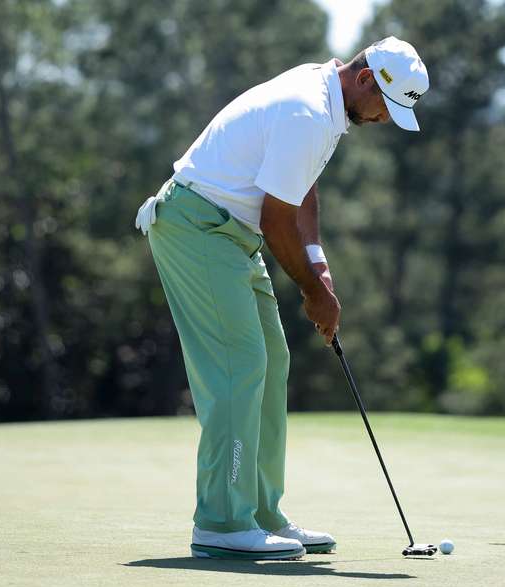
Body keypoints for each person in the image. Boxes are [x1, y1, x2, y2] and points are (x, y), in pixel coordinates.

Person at [134, 37, 429, 560]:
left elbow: (300, 189)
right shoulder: (307, 111)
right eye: (387, 105)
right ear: (365, 80)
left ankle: (261, 513)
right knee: (239, 365)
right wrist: (315, 295)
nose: (386, 119)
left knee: (271, 361)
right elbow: (275, 219)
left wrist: (319, 265)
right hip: (197, 226)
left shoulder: (329, 101)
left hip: (230, 234)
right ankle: (222, 522)